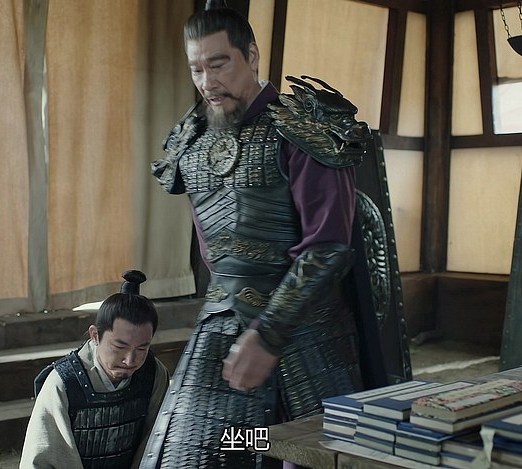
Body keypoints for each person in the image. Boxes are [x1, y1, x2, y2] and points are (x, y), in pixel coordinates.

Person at [140, 2, 399, 468]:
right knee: (210, 454)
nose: (207, 81)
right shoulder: (192, 140)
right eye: (196, 69)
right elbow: (214, 253)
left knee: (311, 455)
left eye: (219, 64)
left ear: (253, 55)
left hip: (309, 332)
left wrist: (267, 334)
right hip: (221, 329)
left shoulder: (302, 129)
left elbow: (327, 246)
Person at [20, 270, 170, 469]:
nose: (130, 360)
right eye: (119, 346)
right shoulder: (63, 383)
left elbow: (159, 444)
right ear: (95, 335)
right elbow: (39, 461)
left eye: (142, 348)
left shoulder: (154, 374)